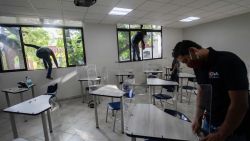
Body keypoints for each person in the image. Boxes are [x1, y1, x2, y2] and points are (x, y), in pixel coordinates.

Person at [172, 40, 249, 141]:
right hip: (209, 122)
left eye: (186, 60)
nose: (187, 65)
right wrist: (198, 118)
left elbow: (240, 104)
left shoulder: (228, 61)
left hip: (233, 128)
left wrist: (221, 134)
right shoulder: (198, 66)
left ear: (193, 51)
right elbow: (202, 91)